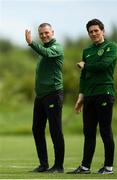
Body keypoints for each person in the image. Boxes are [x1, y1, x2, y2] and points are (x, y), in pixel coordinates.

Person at [67, 19, 117, 174]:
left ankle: (108, 167)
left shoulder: (111, 47)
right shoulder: (87, 51)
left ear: (103, 31)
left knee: (105, 131)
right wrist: (80, 96)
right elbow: (84, 77)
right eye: (91, 32)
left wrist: (86, 65)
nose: (94, 33)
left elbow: (103, 65)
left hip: (104, 93)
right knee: (88, 132)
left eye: (96, 30)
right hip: (89, 95)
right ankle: (85, 167)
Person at [25, 23, 65, 173]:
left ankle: (59, 166)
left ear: (52, 32)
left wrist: (31, 43)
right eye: (41, 34)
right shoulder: (44, 51)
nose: (44, 36)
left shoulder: (56, 48)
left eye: (46, 33)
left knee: (55, 130)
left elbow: (46, 53)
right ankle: (43, 164)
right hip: (41, 96)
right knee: (37, 129)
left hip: (53, 94)